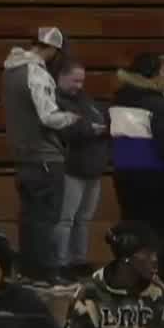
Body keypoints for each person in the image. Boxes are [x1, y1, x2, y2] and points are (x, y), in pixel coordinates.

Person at [109, 53, 164, 297]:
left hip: (125, 175)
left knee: (132, 229)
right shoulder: (159, 104)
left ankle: (130, 280)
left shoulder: (118, 100)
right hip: (157, 178)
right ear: (156, 73)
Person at [1, 26, 78, 284]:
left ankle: (30, 272)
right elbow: (48, 116)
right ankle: (47, 273)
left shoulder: (10, 70)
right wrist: (73, 118)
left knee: (29, 217)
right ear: (52, 49)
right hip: (45, 156)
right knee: (47, 217)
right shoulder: (36, 73)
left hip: (23, 157)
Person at [63, 221, 164, 328]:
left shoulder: (158, 294)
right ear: (126, 258)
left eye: (155, 253)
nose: (154, 259)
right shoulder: (89, 293)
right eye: (146, 253)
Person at [52, 59, 110, 279]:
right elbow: (66, 130)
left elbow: (98, 121)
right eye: (75, 80)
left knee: (83, 218)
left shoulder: (86, 100)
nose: (79, 85)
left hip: (93, 168)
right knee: (66, 218)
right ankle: (61, 262)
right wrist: (89, 129)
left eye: (82, 81)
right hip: (71, 168)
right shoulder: (55, 100)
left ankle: (79, 259)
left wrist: (94, 129)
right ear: (61, 76)